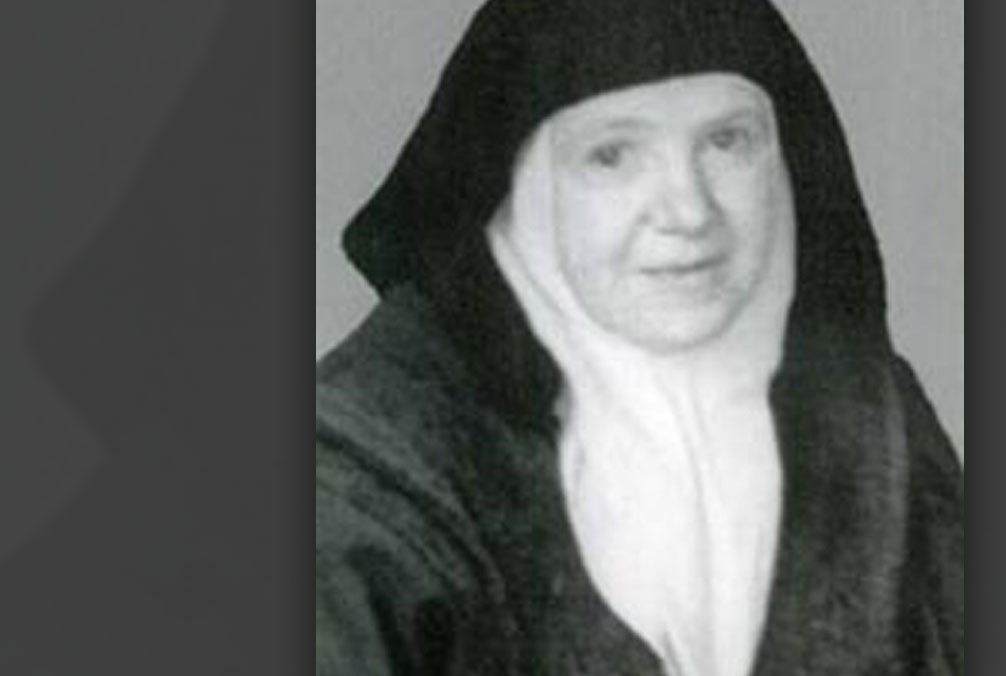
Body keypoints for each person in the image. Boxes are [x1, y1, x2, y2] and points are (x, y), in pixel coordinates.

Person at [315, 0, 963, 674]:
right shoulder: (361, 472)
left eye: (727, 141)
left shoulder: (875, 424)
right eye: (612, 155)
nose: (689, 210)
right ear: (517, 182)